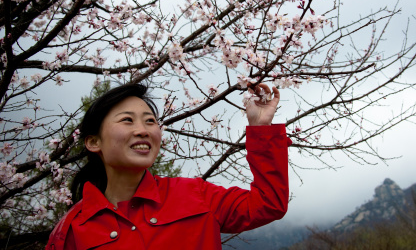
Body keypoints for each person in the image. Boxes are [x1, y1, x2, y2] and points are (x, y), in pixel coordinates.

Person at [46, 83, 289, 250]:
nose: (143, 130)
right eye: (127, 120)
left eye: (150, 121)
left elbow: (269, 204)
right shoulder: (70, 231)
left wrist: (260, 128)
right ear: (93, 141)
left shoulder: (197, 196)